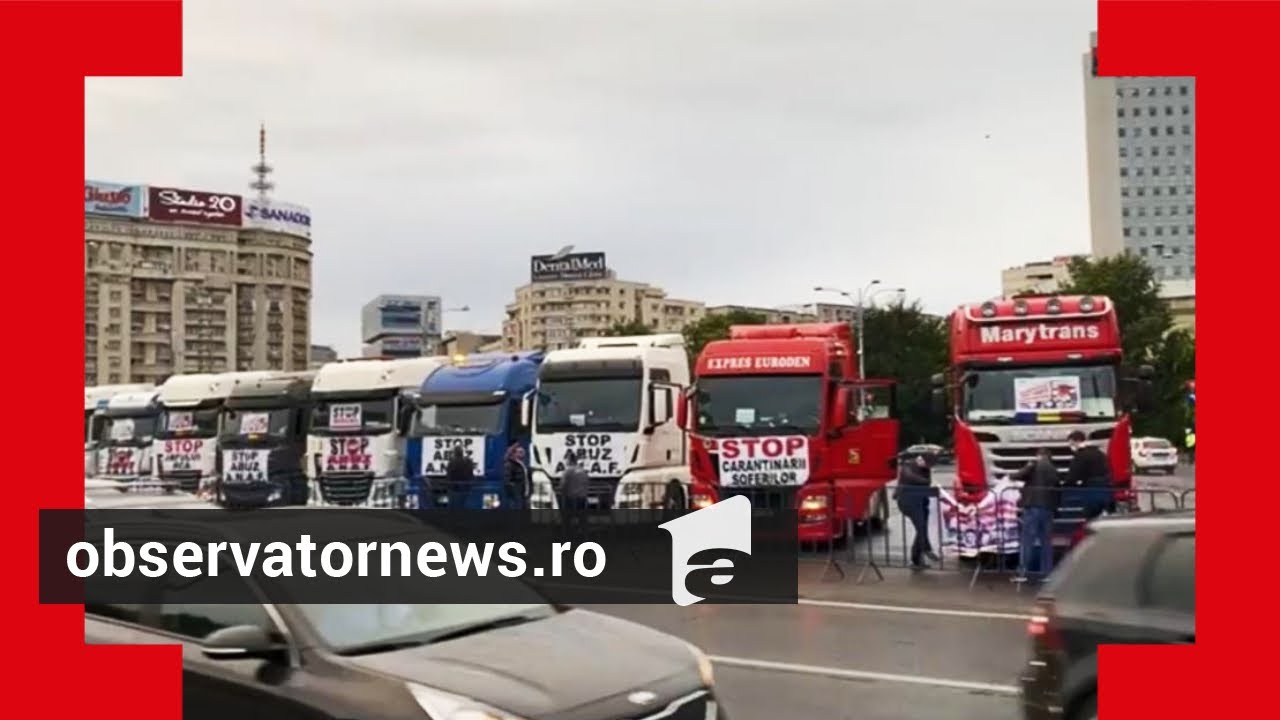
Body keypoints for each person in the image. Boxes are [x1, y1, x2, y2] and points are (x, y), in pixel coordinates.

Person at [1013, 446, 1059, 582]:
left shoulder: (1034, 465)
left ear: (1039, 455)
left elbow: (1016, 476)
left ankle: (1022, 573)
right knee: (1046, 541)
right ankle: (1047, 573)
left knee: (1027, 540)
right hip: (1048, 508)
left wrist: (1028, 465)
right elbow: (1057, 489)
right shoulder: (1053, 469)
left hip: (1033, 506)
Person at [894, 454, 937, 569]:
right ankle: (924, 550)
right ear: (920, 459)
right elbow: (909, 477)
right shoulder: (908, 465)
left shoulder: (925, 469)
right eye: (926, 464)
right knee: (921, 526)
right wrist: (923, 480)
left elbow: (928, 481)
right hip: (908, 501)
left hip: (921, 501)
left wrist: (925, 474)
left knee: (921, 528)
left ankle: (919, 556)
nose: (927, 467)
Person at [1066, 430, 1112, 520]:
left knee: (1090, 517)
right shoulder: (1098, 453)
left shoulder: (1080, 455)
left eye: (1071, 443)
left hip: (1091, 489)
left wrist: (1067, 485)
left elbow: (1073, 476)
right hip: (1105, 489)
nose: (1071, 446)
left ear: (1077, 441)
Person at [559, 450, 591, 534]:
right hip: (582, 498)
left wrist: (563, 492)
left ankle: (568, 533)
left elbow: (562, 485)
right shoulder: (583, 471)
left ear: (570, 460)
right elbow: (587, 483)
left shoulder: (567, 472)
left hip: (571, 498)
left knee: (567, 517)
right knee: (582, 517)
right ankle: (583, 532)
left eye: (567, 459)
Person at [445, 445, 476, 509]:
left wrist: (448, 485)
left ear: (455, 453)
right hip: (466, 487)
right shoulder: (468, 461)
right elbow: (471, 474)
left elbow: (449, 476)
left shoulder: (452, 462)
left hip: (454, 488)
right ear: (462, 452)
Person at [503, 443, 529, 510]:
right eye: (520, 452)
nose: (523, 453)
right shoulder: (510, 464)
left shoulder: (523, 463)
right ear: (514, 453)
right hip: (516, 494)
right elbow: (507, 479)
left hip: (524, 493)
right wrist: (514, 489)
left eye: (523, 452)